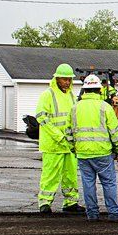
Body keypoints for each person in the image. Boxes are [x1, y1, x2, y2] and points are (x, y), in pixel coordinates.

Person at [68, 74, 118, 222]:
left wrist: (74, 149)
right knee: (109, 183)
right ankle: (114, 214)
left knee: (88, 184)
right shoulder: (104, 107)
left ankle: (92, 215)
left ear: (84, 90)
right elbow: (115, 132)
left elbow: (68, 133)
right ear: (100, 90)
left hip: (83, 154)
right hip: (103, 153)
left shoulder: (75, 108)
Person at [35, 63, 84, 214]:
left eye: (69, 79)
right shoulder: (47, 95)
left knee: (70, 175)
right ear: (57, 79)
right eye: (64, 79)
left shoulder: (71, 96)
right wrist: (58, 135)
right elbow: (41, 117)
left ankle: (71, 202)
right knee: (50, 175)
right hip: (53, 144)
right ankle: (44, 203)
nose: (67, 82)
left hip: (68, 144)